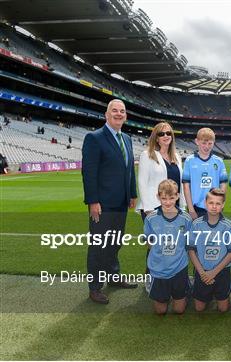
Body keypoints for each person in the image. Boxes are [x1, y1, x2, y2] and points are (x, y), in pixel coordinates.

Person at [82, 99, 138, 305]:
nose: (118, 114)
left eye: (122, 111)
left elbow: (129, 169)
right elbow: (89, 173)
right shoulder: (94, 138)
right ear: (106, 114)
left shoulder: (127, 139)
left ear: (125, 115)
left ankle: (113, 276)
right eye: (114, 110)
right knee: (98, 246)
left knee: (115, 242)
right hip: (102, 205)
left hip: (121, 203)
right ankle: (95, 287)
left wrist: (132, 193)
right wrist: (92, 201)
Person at [137, 121, 187, 292]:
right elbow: (142, 183)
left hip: (174, 209)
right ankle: (150, 278)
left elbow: (180, 184)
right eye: (161, 134)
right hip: (154, 209)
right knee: (155, 246)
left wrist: (183, 207)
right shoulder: (148, 155)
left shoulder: (177, 156)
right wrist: (149, 211)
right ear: (156, 138)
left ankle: (171, 278)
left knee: (172, 245)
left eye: (168, 133)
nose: (165, 136)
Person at [145, 180, 192, 315]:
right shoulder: (151, 218)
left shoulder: (186, 218)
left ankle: (183, 294)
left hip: (179, 267)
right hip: (158, 268)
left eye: (171, 198)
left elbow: (189, 242)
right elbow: (149, 240)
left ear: (177, 196)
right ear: (158, 197)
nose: (167, 202)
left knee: (179, 310)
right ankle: (163, 293)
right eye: (164, 198)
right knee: (160, 311)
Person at [187, 188, 231, 312]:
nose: (214, 206)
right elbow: (191, 250)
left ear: (223, 205)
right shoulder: (196, 224)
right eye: (211, 203)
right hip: (202, 270)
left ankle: (218, 294)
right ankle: (206, 293)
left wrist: (213, 273)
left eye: (218, 203)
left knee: (223, 309)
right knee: (199, 308)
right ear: (205, 203)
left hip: (222, 272)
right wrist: (202, 273)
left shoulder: (229, 226)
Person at [182, 128, 228, 220]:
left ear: (213, 143)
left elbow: (223, 184)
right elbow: (186, 186)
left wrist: (220, 203)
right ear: (197, 141)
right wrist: (191, 209)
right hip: (196, 207)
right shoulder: (189, 161)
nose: (207, 146)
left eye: (210, 143)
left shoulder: (218, 161)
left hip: (214, 207)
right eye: (204, 143)